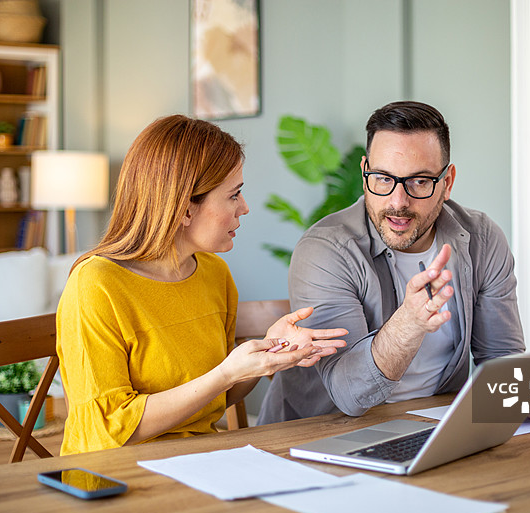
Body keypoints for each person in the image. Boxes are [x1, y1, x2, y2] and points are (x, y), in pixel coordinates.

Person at [56, 115, 347, 455]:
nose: (245, 207)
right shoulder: (96, 285)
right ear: (183, 209)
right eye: (233, 195)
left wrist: (269, 350)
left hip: (203, 461)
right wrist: (225, 374)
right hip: (112, 477)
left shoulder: (213, 273)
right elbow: (110, 428)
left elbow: (219, 394)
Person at [258, 101, 530, 424]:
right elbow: (349, 395)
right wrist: (409, 323)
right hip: (322, 438)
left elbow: (500, 361)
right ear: (364, 175)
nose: (397, 202)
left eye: (419, 181)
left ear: (447, 182)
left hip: (435, 429)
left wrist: (526, 395)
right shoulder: (325, 250)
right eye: (383, 178)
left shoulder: (482, 239)